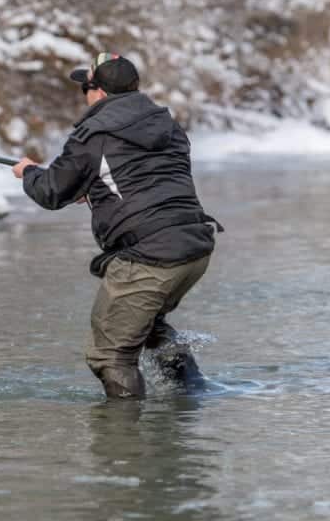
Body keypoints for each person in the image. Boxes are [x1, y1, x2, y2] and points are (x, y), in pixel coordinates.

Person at [12, 53, 221, 398]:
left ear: (99, 93)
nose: (83, 96)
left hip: (150, 256)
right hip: (194, 247)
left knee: (111, 357)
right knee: (148, 327)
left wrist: (29, 172)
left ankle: (124, 448)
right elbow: (145, 177)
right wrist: (94, 189)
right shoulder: (168, 125)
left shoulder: (93, 134)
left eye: (85, 88)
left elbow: (50, 192)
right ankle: (193, 397)